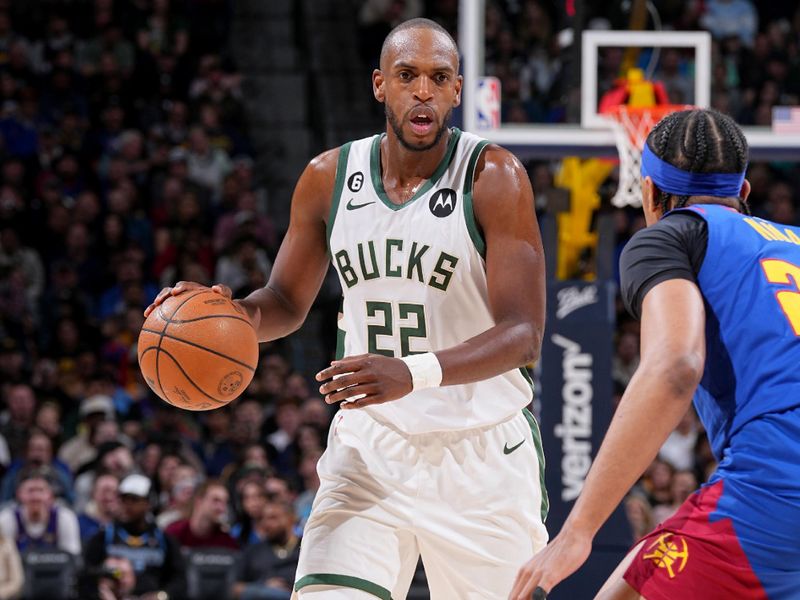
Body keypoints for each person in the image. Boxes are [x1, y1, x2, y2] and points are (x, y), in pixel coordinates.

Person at [146, 17, 548, 599]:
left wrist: (410, 373)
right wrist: (230, 316)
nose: (424, 91)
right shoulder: (328, 178)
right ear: (380, 84)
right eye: (407, 75)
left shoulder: (494, 177)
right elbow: (284, 301)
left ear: (458, 90)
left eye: (439, 78)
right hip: (370, 446)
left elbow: (523, 335)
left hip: (480, 453)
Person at [510, 109, 800, 599]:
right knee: (631, 579)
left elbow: (675, 367)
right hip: (771, 492)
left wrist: (577, 530)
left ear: (647, 192)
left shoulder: (670, 235)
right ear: (744, 194)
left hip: (774, 485)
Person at [81, 474, 186, 600]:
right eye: (124, 499)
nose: (127, 505)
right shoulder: (103, 537)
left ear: (148, 503)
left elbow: (179, 579)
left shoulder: (164, 539)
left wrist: (162, 595)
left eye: (134, 500)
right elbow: (87, 573)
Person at [0, 467, 81, 555]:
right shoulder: (6, 519)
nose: (36, 496)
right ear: (19, 494)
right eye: (30, 491)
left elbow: (73, 557)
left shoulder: (65, 517)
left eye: (41, 490)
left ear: (51, 495)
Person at [231, 499, 300, 600]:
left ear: (291, 518)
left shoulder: (305, 549)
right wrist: (263, 588)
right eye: (263, 519)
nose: (266, 524)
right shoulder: (253, 552)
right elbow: (233, 588)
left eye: (273, 518)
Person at [165, 480, 238, 550]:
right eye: (216, 500)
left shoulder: (226, 541)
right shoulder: (174, 533)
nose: (222, 508)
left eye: (224, 502)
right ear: (199, 502)